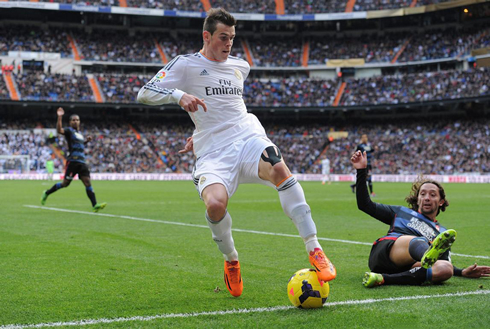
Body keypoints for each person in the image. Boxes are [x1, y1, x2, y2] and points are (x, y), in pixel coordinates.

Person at [137, 8, 336, 297]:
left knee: (279, 168)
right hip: (213, 152)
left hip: (247, 137)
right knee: (215, 205)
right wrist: (179, 96)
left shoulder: (240, 66)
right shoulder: (186, 64)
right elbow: (144, 92)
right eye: (222, 37)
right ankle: (231, 260)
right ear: (206, 36)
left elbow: (227, 109)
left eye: (232, 37)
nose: (229, 43)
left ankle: (314, 247)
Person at [350, 150, 490, 287]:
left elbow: (444, 261)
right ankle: (426, 253)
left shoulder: (443, 233)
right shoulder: (400, 212)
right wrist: (361, 170)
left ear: (441, 201)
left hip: (409, 266)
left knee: (446, 269)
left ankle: (383, 278)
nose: (427, 198)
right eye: (423, 194)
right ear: (418, 199)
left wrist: (462, 272)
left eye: (432, 195)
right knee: (419, 241)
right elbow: (364, 204)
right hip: (386, 252)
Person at [41, 107, 107, 213]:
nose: (75, 121)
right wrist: (59, 117)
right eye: (73, 120)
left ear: (79, 122)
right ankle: (47, 193)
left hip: (82, 162)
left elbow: (79, 145)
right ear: (70, 122)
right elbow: (59, 130)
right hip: (73, 161)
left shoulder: (80, 134)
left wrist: (86, 141)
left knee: (87, 182)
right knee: (65, 184)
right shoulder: (69, 131)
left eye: (77, 120)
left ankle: (95, 205)